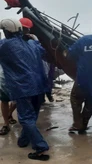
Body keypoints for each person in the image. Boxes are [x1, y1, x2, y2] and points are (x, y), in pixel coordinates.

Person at [0, 18, 50, 161]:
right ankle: (23, 140)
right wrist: (33, 39)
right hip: (40, 86)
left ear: (6, 31)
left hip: (22, 88)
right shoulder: (33, 43)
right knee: (31, 116)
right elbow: (44, 52)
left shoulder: (4, 45)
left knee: (26, 118)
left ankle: (40, 148)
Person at [19, 17, 54, 103]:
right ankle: (43, 97)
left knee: (44, 79)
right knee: (42, 80)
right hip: (35, 64)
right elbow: (41, 50)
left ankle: (45, 96)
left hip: (38, 63)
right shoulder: (31, 40)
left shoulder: (29, 39)